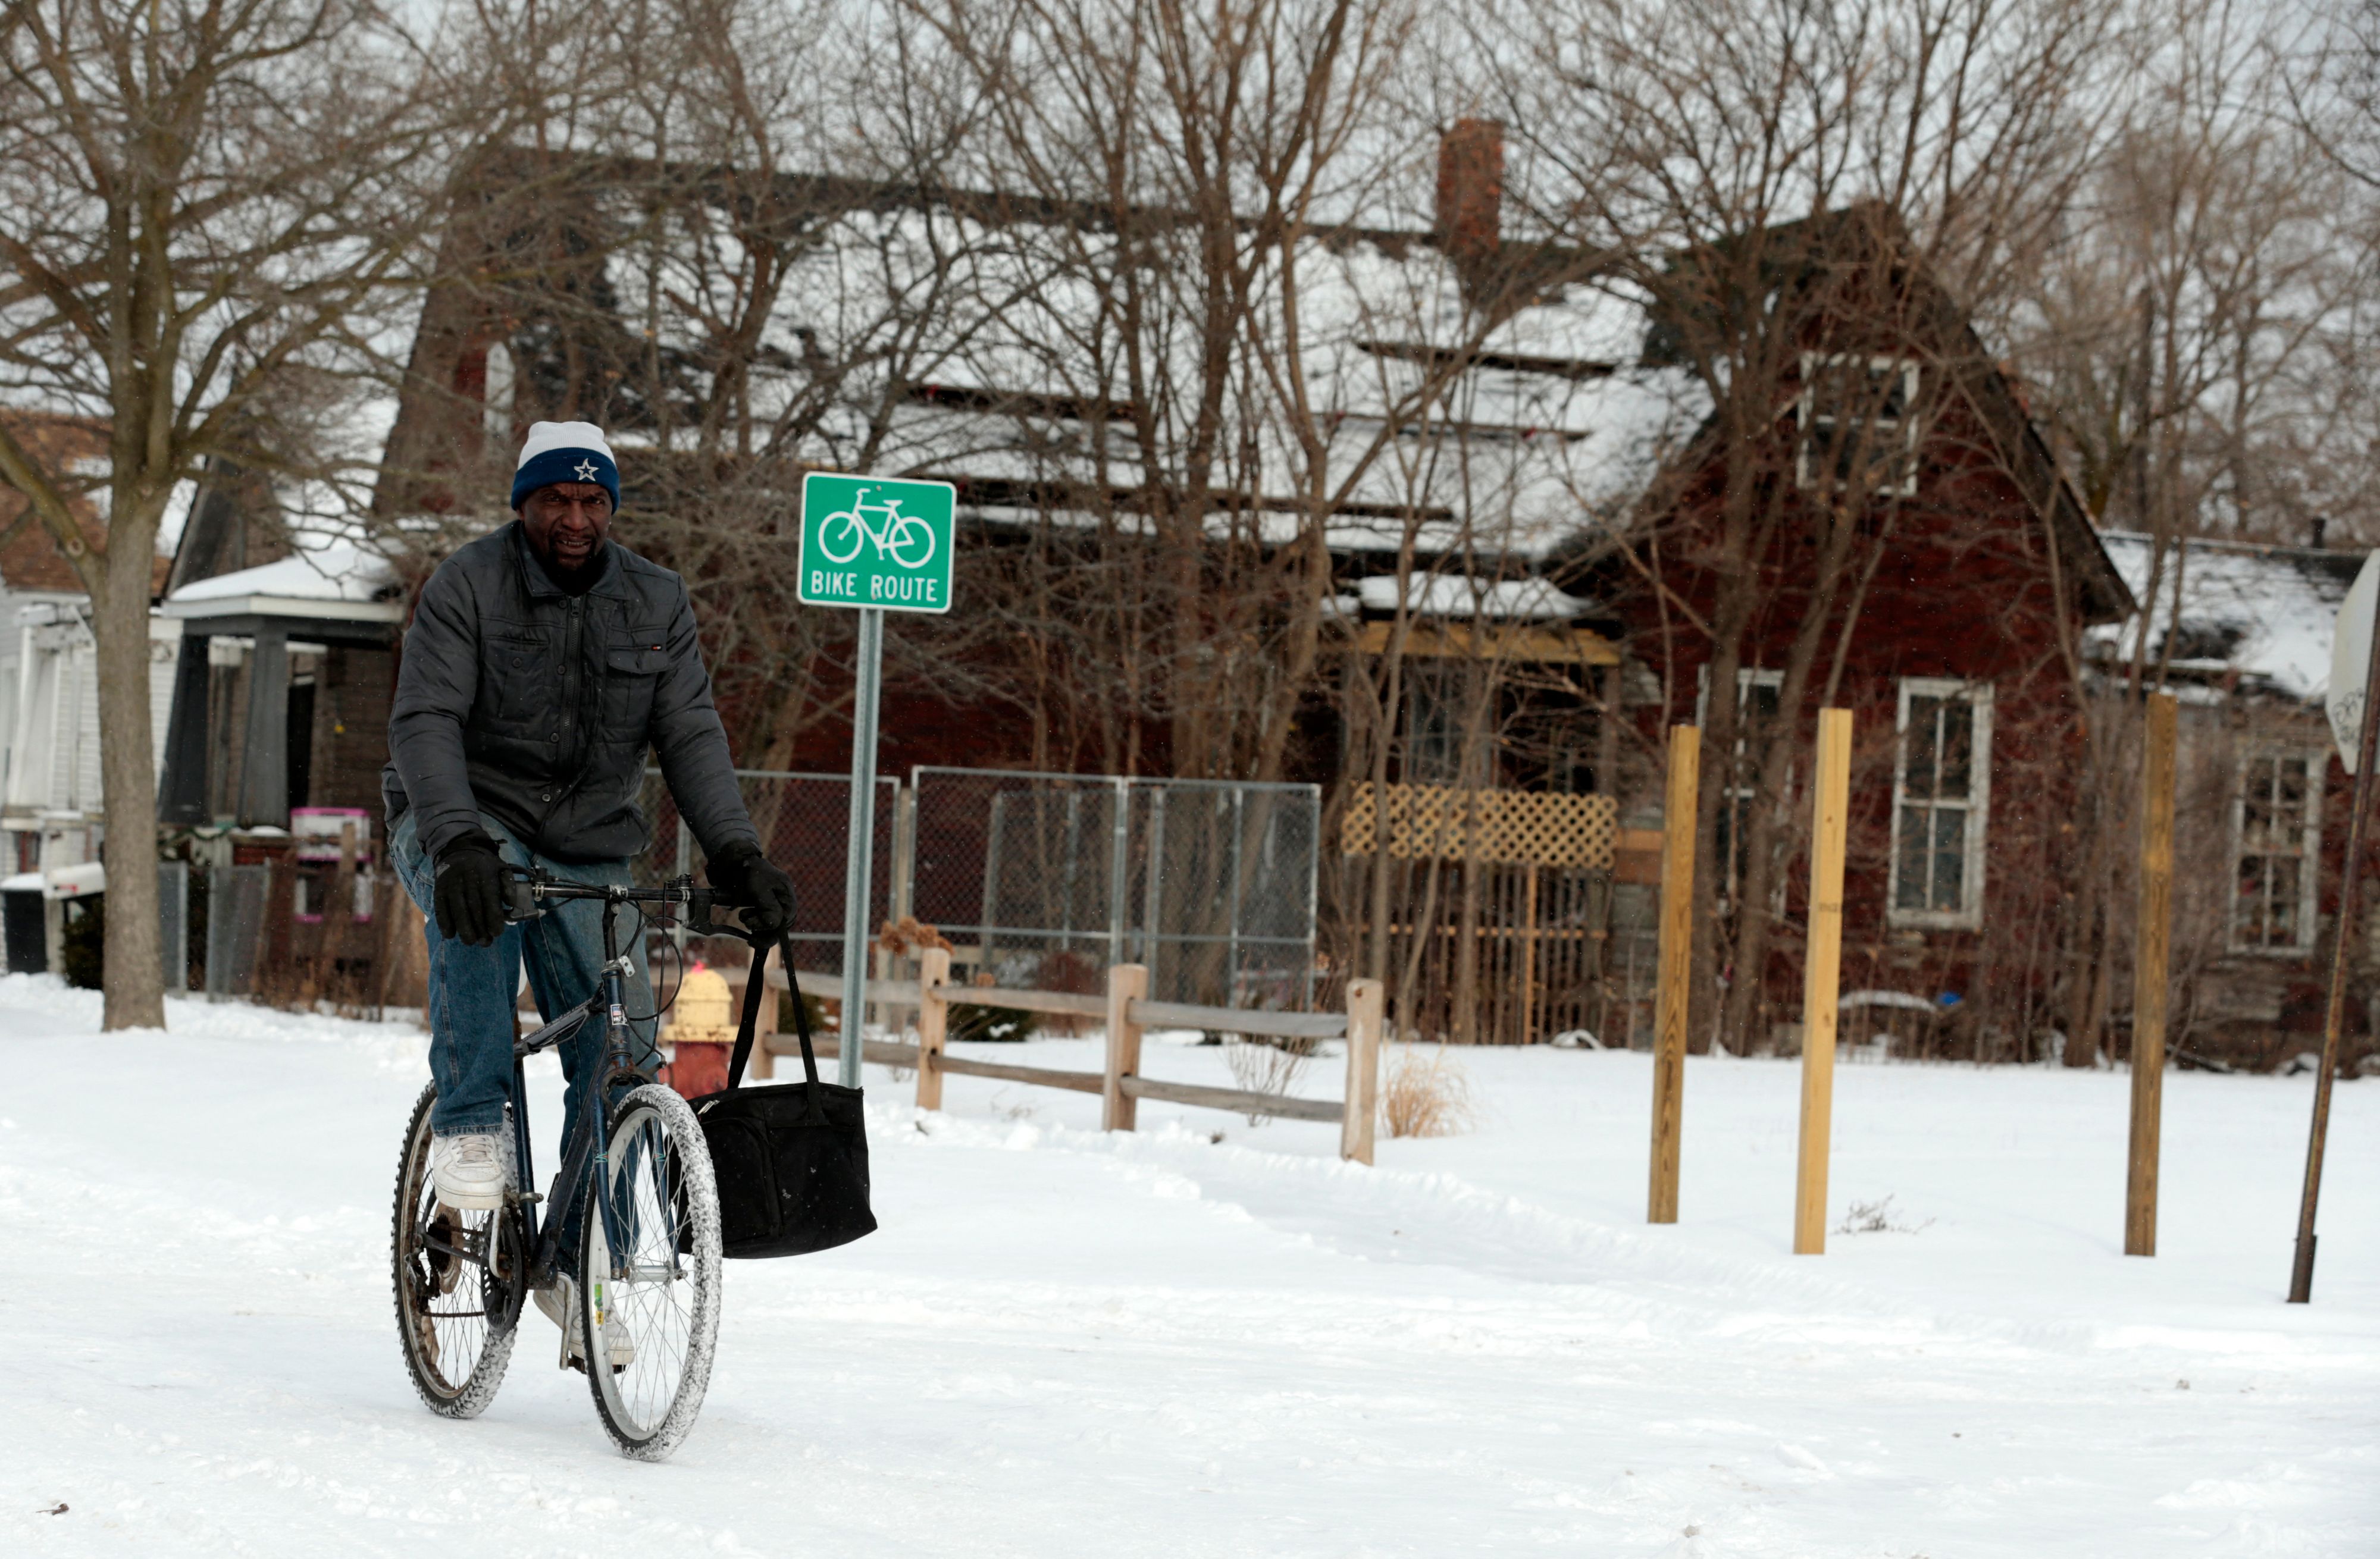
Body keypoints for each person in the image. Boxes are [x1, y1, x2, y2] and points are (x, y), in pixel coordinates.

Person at [384, 420, 796, 1368]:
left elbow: (690, 732)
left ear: (611, 507)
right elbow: (426, 719)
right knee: (478, 922)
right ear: (523, 503)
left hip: (587, 844)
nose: (574, 519)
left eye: (592, 501)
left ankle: (574, 1260)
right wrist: (455, 842)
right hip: (460, 818)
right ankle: (473, 1132)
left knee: (625, 1044)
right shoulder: (467, 585)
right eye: (555, 501)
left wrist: (737, 852)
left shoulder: (655, 598)